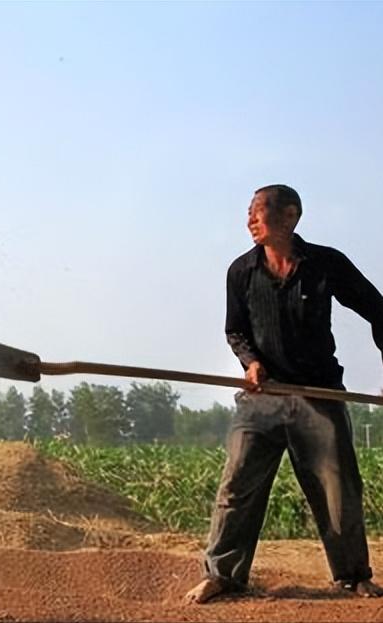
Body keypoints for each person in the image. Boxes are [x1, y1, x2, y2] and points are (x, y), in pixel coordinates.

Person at [184, 184, 383, 604]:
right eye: (249, 213)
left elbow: (375, 308)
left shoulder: (326, 264)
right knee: (237, 485)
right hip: (262, 397)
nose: (250, 220)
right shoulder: (241, 271)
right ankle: (223, 575)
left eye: (258, 212)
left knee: (338, 486)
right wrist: (250, 363)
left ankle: (352, 576)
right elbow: (235, 330)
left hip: (318, 394)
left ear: (290, 216)